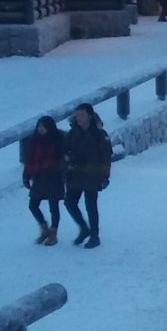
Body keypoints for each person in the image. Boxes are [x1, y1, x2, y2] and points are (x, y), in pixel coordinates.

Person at [64, 103, 112, 249]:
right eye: (77, 115)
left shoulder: (99, 134)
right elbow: (65, 150)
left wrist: (104, 176)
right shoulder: (72, 133)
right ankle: (84, 228)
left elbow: (106, 156)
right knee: (69, 202)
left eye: (82, 115)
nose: (79, 118)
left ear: (89, 116)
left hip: (93, 174)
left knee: (91, 205)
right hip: (76, 173)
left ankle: (94, 235)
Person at [23, 116, 65, 246]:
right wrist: (26, 175)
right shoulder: (34, 141)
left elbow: (62, 158)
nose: (40, 129)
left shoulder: (58, 140)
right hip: (39, 176)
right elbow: (29, 159)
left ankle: (53, 233)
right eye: (39, 126)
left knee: (54, 206)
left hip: (54, 176)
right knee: (33, 205)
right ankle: (44, 228)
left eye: (43, 126)